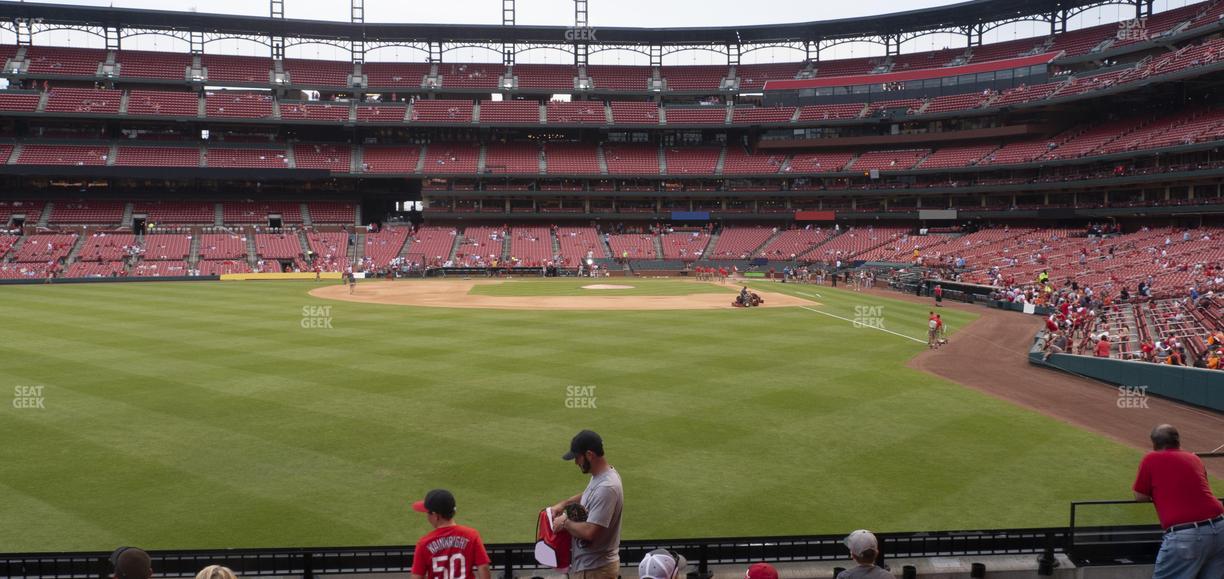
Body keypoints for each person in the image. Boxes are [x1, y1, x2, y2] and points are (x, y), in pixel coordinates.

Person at [1132, 424, 1224, 579]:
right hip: (1220, 528)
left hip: (1187, 536)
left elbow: (1140, 496)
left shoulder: (1151, 458)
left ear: (1154, 443)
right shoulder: (1194, 458)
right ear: (1178, 441)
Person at [550, 430, 624, 579]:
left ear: (590, 455)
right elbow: (590, 495)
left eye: (578, 457)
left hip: (596, 571)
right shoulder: (600, 477)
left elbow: (590, 532)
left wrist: (564, 522)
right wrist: (563, 504)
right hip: (592, 568)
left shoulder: (607, 487)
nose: (576, 462)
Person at [410, 489, 492, 579]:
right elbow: (483, 567)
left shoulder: (424, 543)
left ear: (435, 515)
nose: (427, 516)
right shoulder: (471, 535)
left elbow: (417, 577)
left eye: (427, 513)